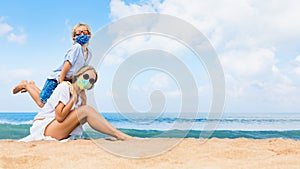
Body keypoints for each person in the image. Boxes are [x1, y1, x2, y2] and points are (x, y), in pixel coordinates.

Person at [20, 66, 132, 142]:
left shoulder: (81, 96)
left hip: (58, 129)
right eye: (86, 77)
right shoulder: (65, 87)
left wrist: (82, 100)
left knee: (85, 110)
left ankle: (119, 135)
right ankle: (120, 136)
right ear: (78, 75)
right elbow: (59, 117)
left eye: (91, 81)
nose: (87, 81)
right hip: (45, 128)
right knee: (86, 110)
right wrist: (73, 98)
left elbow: (78, 120)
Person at [13, 23, 93, 108]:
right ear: (74, 38)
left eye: (84, 32)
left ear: (89, 35)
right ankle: (26, 85)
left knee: (48, 99)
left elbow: (82, 70)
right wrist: (61, 81)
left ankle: (32, 85)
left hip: (68, 80)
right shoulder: (76, 47)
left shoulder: (89, 54)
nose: (82, 34)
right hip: (57, 78)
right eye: (79, 33)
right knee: (43, 103)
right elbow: (68, 64)